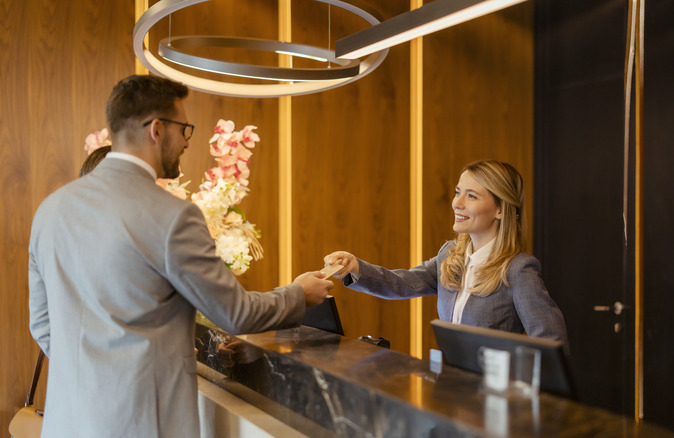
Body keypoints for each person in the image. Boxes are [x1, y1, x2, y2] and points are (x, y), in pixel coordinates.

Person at [28, 75, 333, 438]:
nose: (187, 140)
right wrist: (299, 294)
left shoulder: (50, 210)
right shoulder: (174, 216)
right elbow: (236, 313)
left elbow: (42, 325)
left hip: (65, 425)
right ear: (157, 129)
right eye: (184, 129)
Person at [324, 160, 569, 351]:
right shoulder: (450, 255)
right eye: (458, 192)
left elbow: (551, 342)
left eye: (471, 196)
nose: (456, 203)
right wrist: (355, 266)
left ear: (500, 210)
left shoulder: (518, 269)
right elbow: (402, 284)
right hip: (451, 389)